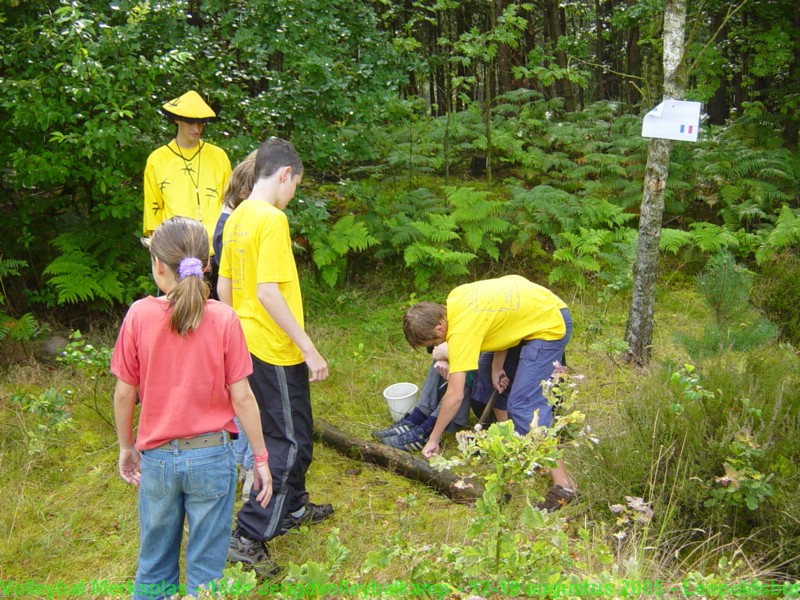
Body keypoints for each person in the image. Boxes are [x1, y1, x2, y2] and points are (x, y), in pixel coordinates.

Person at [111, 216, 272, 599]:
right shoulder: (224, 317)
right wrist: (261, 458)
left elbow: (123, 394)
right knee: (206, 573)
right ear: (207, 266)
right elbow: (243, 397)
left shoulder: (139, 315)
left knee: (153, 567)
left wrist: (126, 446)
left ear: (158, 266)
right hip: (213, 457)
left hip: (158, 460)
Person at [218, 137, 332, 577]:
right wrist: (308, 348)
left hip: (247, 344)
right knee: (288, 442)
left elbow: (226, 288)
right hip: (274, 349)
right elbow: (267, 292)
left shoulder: (238, 213)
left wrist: (230, 341)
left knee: (292, 431)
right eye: (295, 186)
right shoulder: (271, 220)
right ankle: (248, 535)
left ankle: (294, 506)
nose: (293, 196)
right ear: (285, 174)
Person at [402, 274, 577, 512]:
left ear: (439, 327)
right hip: (533, 313)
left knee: (524, 406)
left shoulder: (461, 331)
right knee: (486, 373)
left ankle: (565, 485)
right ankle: (516, 446)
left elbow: (455, 396)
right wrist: (496, 367)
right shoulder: (455, 299)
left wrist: (433, 438)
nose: (436, 348)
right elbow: (503, 320)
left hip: (548, 325)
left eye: (434, 343)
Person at [143, 90, 232, 296]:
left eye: (201, 123)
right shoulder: (157, 160)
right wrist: (160, 261)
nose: (197, 128)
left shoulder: (218, 157)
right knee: (175, 320)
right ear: (177, 120)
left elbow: (230, 206)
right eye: (191, 122)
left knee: (214, 318)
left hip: (214, 254)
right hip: (174, 255)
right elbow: (153, 215)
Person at [212, 151, 259, 501]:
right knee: (243, 399)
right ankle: (246, 469)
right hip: (238, 326)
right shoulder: (230, 227)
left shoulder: (232, 220)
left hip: (238, 323)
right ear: (245, 192)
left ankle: (244, 465)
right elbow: (226, 285)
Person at [372, 343, 502, 451]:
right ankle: (418, 417)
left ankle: (427, 429)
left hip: (501, 409)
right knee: (450, 353)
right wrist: (443, 355)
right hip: (485, 389)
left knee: (465, 362)